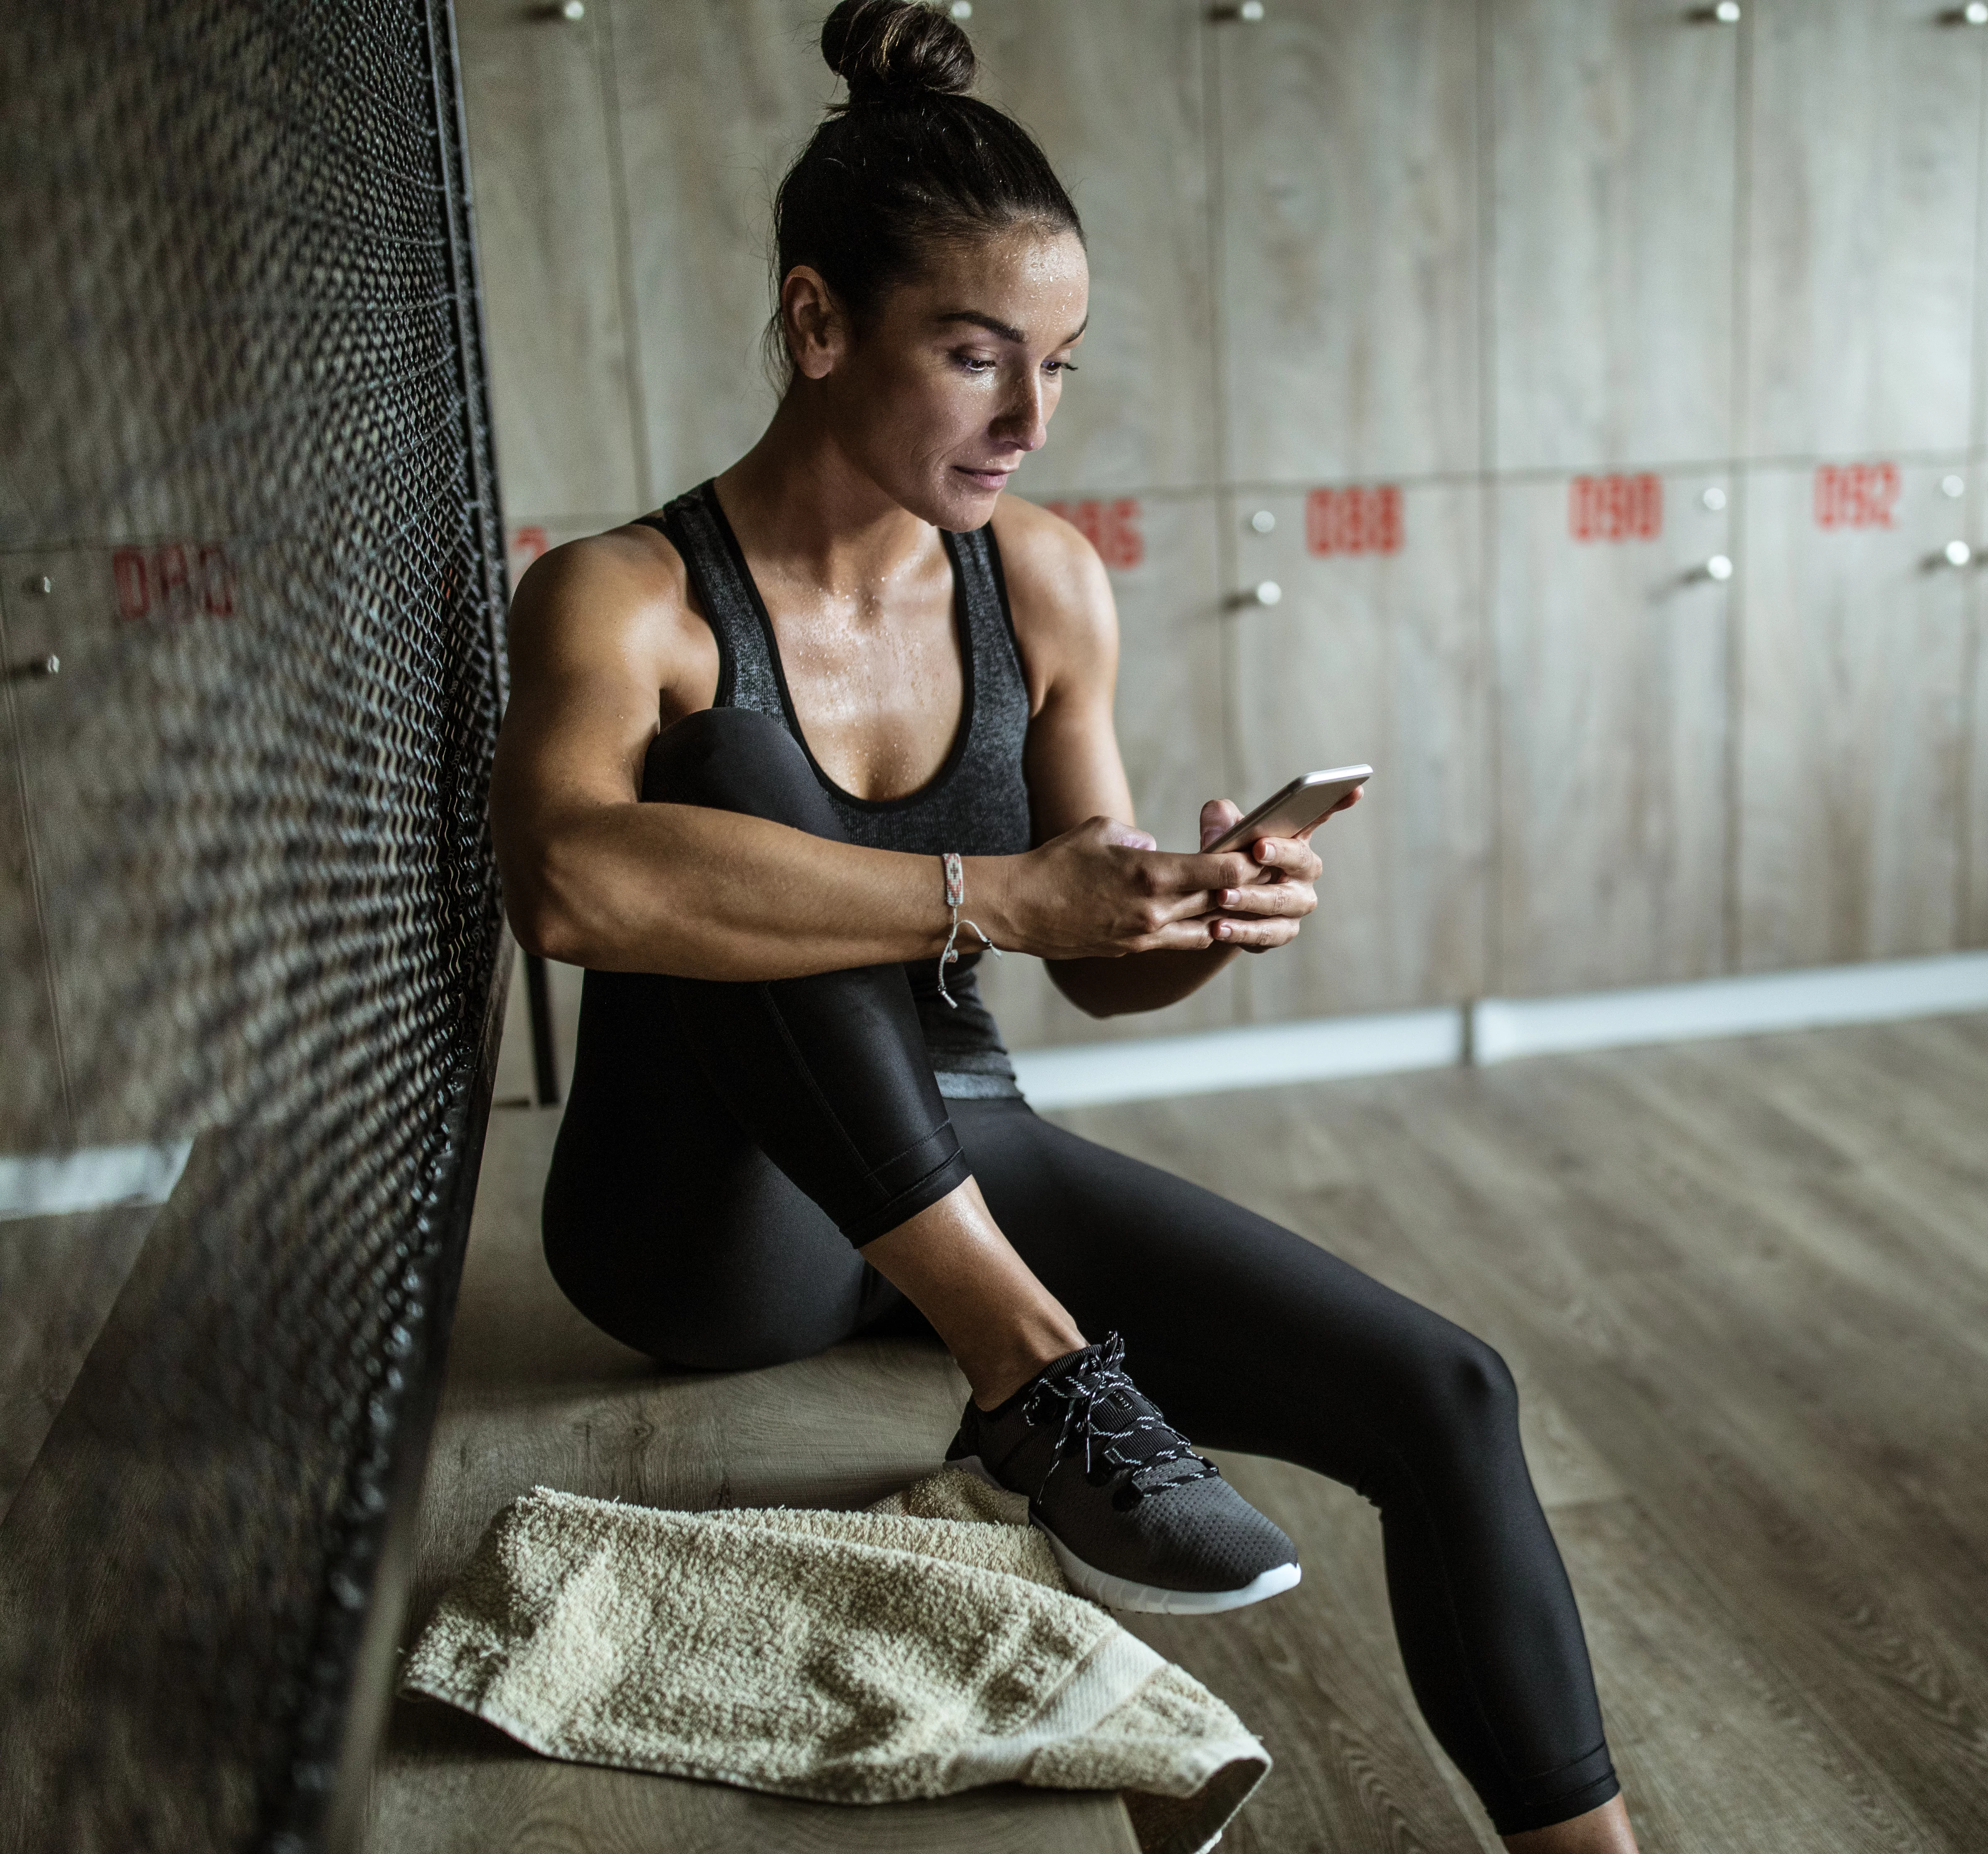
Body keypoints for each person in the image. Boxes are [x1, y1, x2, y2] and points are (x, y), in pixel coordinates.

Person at [485, 3, 1636, 1845]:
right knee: (728, 785)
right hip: (703, 1224)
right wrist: (996, 892)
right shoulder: (627, 599)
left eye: (1063, 368)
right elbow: (567, 885)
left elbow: (1089, 962)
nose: (1030, 422)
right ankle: (1030, 1369)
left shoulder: (1039, 580)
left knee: (1448, 1391)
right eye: (975, 357)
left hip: (959, 1141)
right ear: (815, 322)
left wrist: (1190, 910)